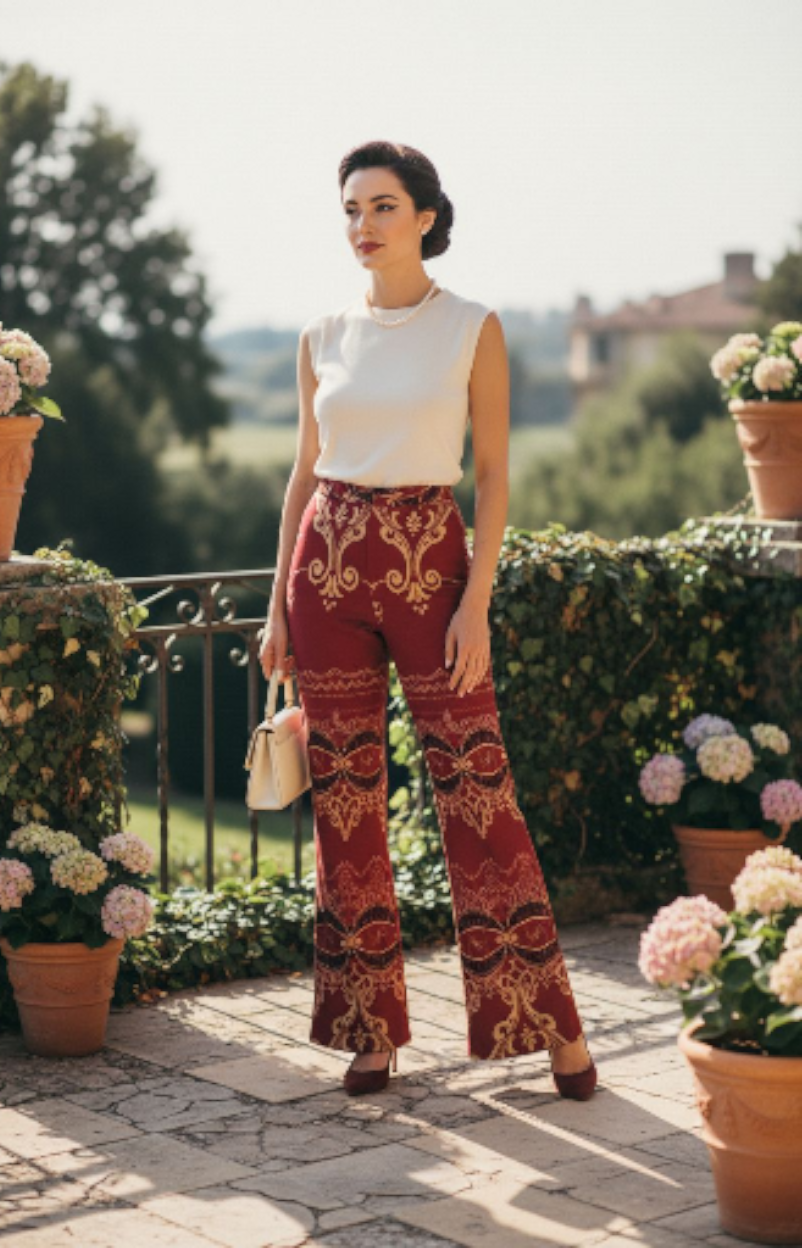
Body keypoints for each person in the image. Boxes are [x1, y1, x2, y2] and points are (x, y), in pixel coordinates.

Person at [259, 139, 596, 1101]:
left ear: (426, 218)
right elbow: (302, 473)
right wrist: (278, 607)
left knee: (477, 788)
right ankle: (369, 1030)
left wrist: (475, 603)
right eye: (351, 209)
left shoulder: (471, 327)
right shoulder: (321, 334)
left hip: (429, 568)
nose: (363, 226)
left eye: (382, 207)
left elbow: (492, 477)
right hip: (326, 568)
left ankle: (553, 1026)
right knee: (345, 801)